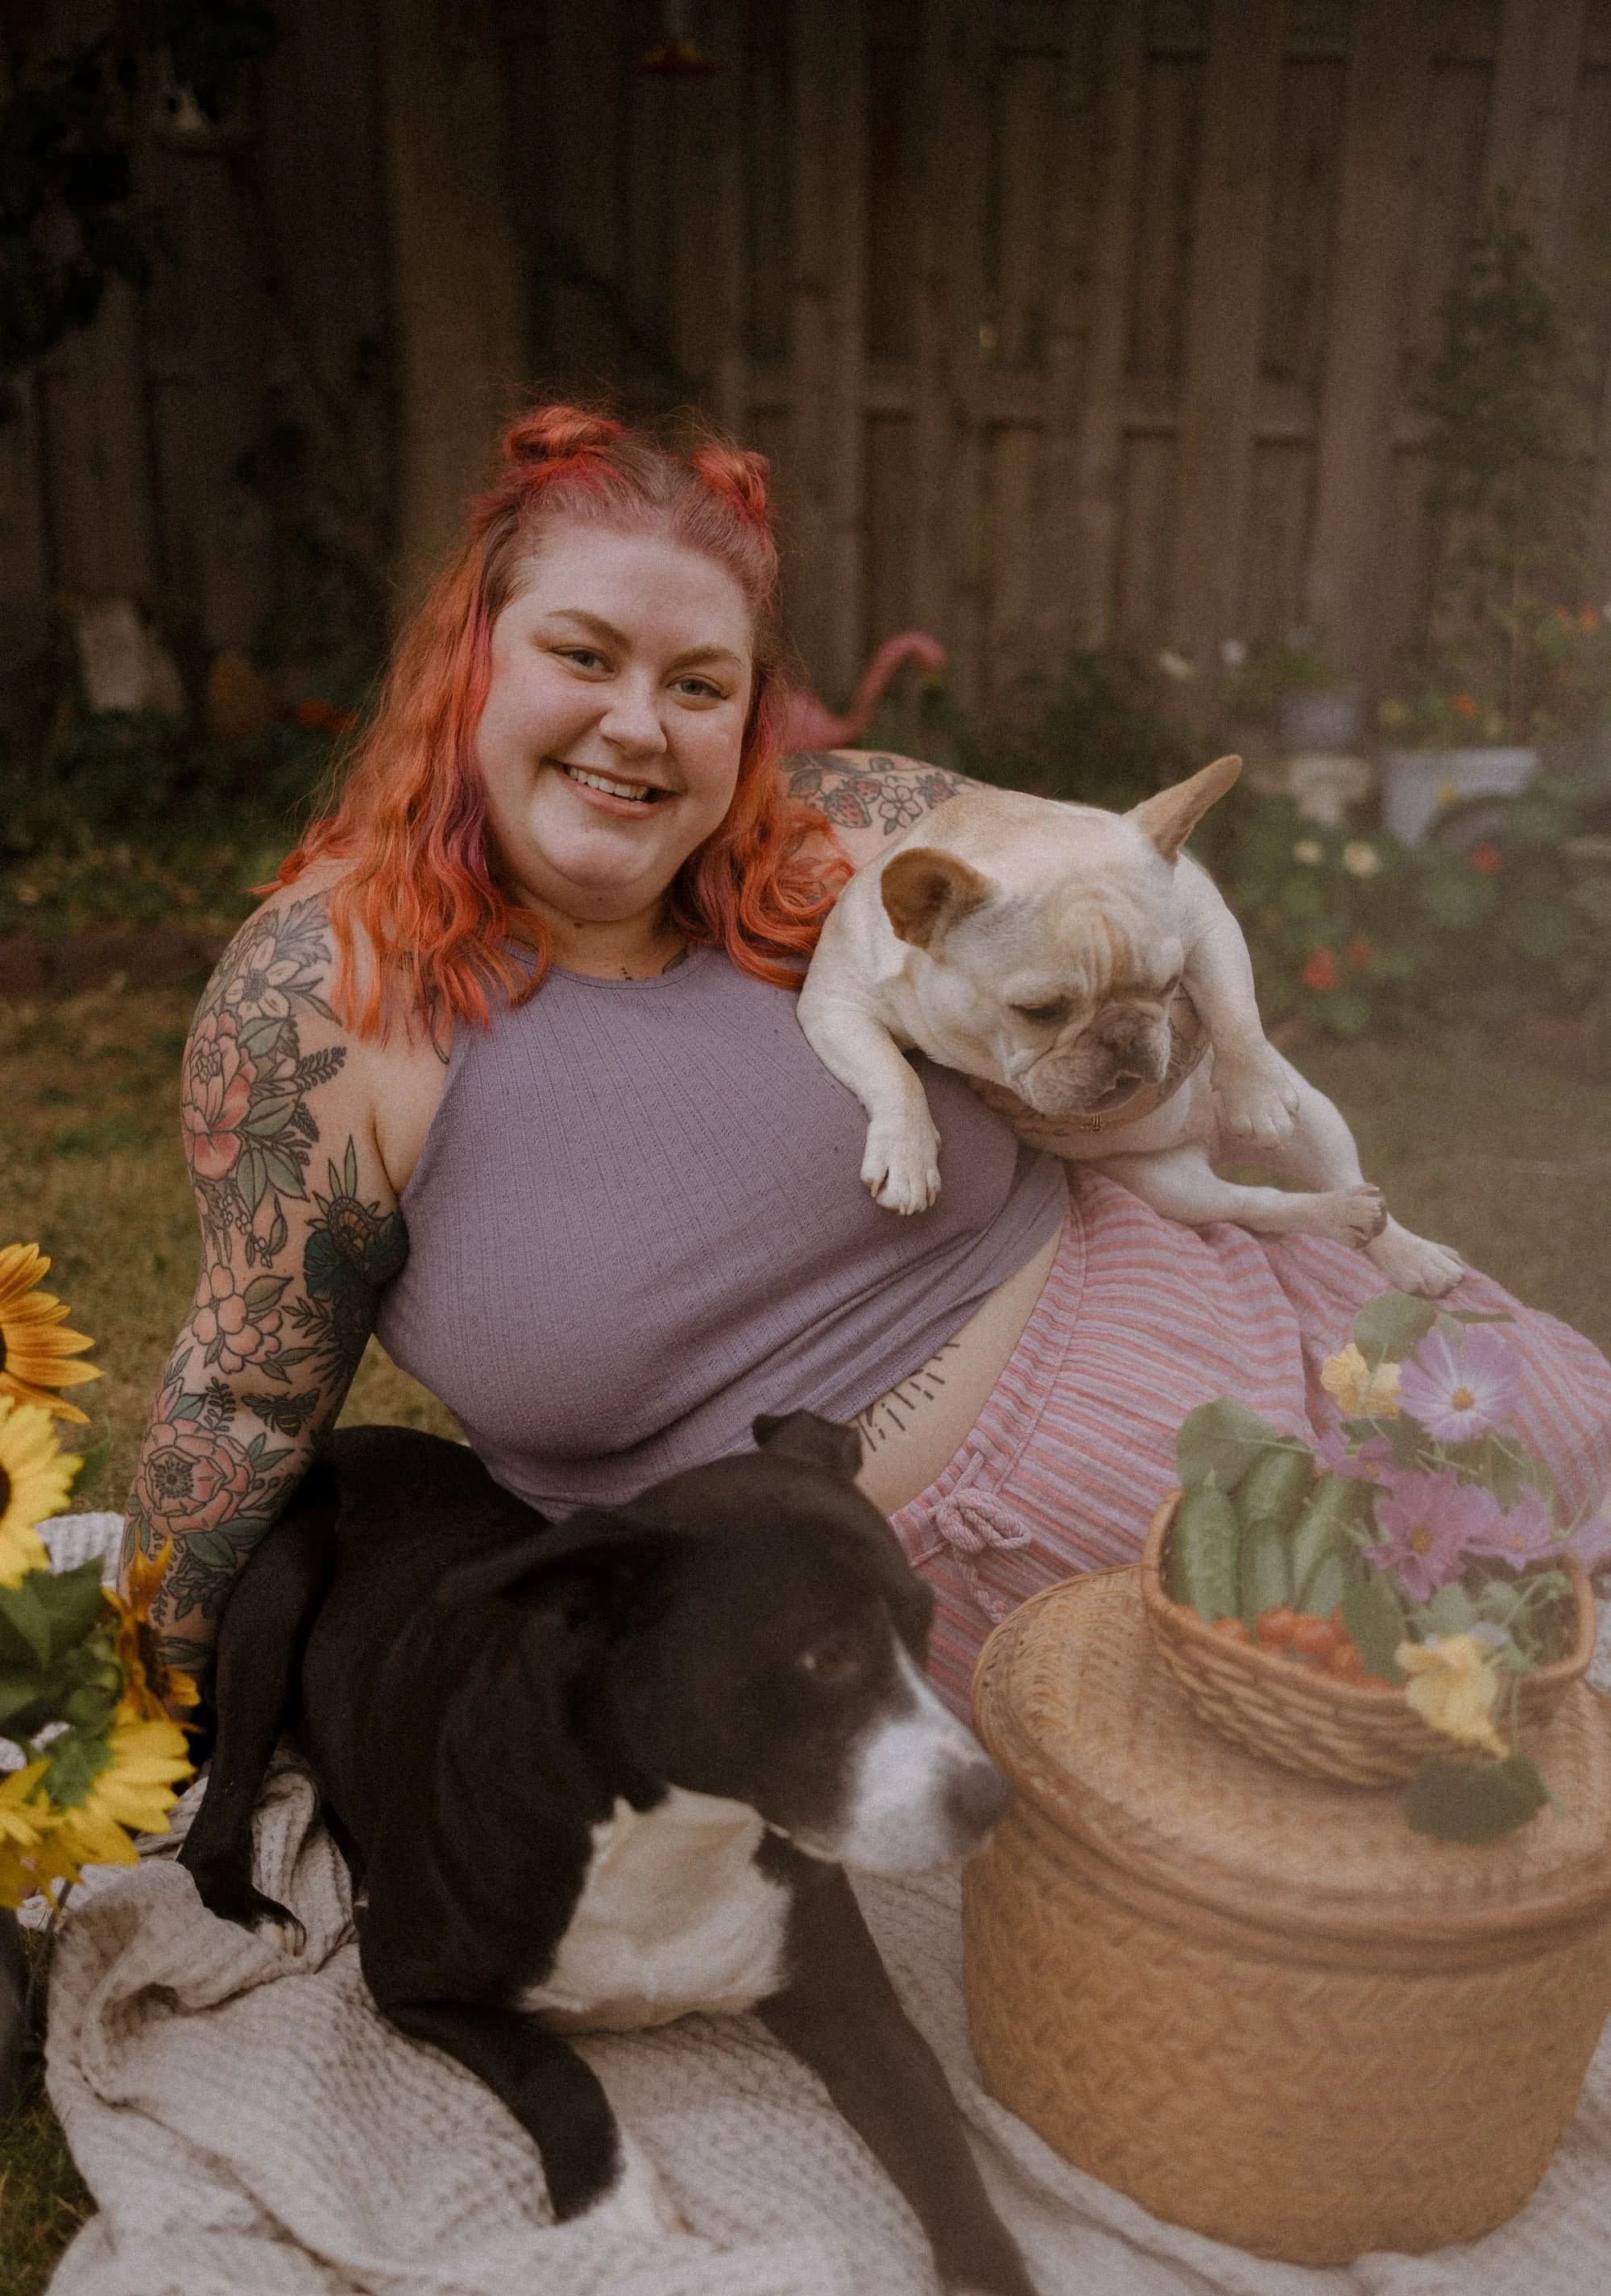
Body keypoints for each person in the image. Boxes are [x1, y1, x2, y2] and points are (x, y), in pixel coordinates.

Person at [126, 406, 1611, 1718]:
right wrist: (127, 1727)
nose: (636, 726)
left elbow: (1136, 886)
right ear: (471, 666)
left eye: (699, 686)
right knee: (1379, 1838)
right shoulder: (329, 996)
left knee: (1572, 1540)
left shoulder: (847, 833)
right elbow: (244, 1405)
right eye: (583, 656)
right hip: (879, 1647)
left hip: (1260, 1335)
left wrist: (1210, 1056)